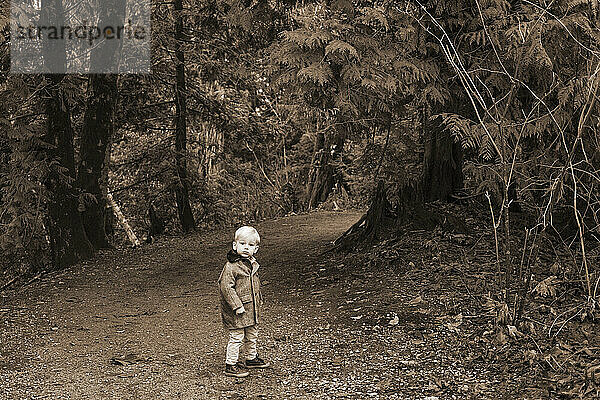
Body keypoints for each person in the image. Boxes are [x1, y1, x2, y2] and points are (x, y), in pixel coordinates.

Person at [218, 226, 270, 377]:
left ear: (256, 248)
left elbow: (254, 285)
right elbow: (226, 287)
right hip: (238, 311)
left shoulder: (252, 264)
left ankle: (251, 358)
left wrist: (258, 300)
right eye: (242, 244)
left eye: (251, 245)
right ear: (235, 245)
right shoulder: (232, 266)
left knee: (252, 334)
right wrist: (237, 306)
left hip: (251, 309)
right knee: (237, 337)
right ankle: (231, 364)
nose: (246, 248)